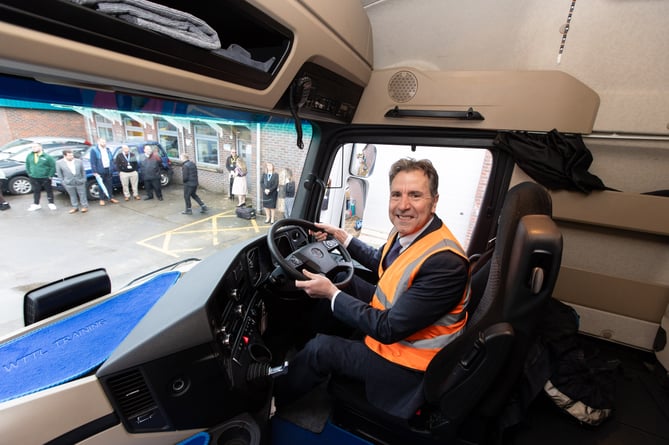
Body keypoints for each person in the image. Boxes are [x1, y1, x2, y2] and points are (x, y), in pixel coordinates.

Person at [274, 158, 471, 419]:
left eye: (415, 195)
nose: (403, 205)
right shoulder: (410, 231)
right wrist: (344, 238)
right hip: (398, 327)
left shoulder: (446, 262)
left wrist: (332, 294)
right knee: (346, 281)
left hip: (410, 367)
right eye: (396, 195)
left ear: (434, 201)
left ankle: (275, 402)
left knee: (323, 348)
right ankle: (301, 352)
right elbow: (383, 262)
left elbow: (388, 329)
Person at [55, 149, 89, 213]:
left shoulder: (79, 161)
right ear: (64, 156)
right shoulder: (59, 163)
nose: (71, 157)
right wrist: (63, 182)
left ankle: (85, 206)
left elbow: (83, 171)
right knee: (72, 195)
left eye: (72, 155)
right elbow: (60, 174)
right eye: (69, 155)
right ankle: (75, 207)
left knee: (82, 194)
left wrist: (84, 179)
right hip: (68, 182)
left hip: (79, 181)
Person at [25, 143, 57, 211]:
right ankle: (36, 204)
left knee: (49, 190)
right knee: (36, 191)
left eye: (35, 147)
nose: (33, 148)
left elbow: (52, 166)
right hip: (34, 177)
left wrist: (50, 175)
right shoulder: (30, 156)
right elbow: (27, 165)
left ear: (40, 147)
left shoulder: (47, 157)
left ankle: (51, 203)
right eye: (32, 147)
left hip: (45, 177)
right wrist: (29, 173)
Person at [89, 137, 119, 206]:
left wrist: (113, 167)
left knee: (109, 184)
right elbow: (92, 162)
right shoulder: (94, 150)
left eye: (105, 142)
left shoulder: (108, 149)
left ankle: (110, 197)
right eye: (102, 142)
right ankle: (102, 199)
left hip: (108, 170)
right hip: (100, 170)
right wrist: (95, 171)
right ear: (98, 142)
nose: (104, 143)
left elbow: (111, 159)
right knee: (101, 185)